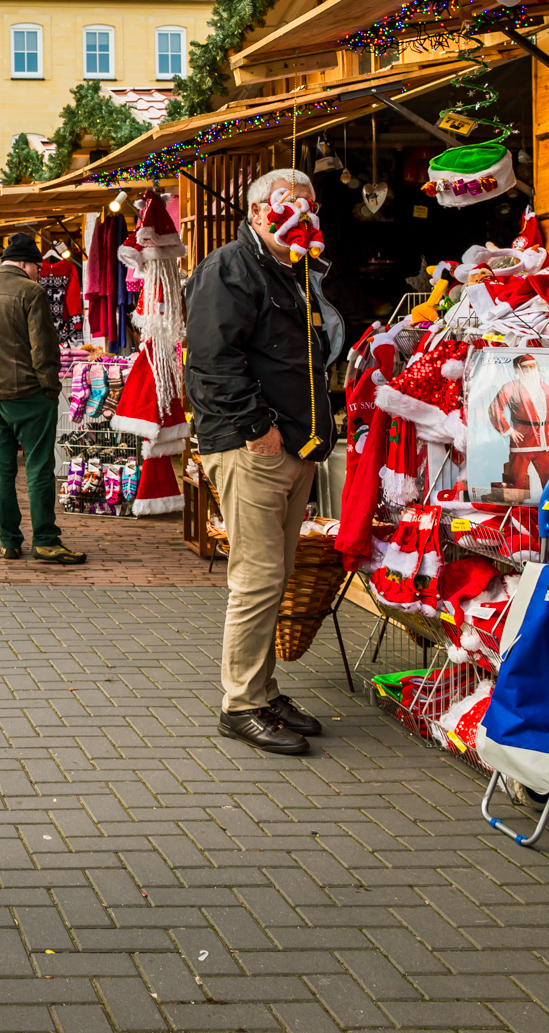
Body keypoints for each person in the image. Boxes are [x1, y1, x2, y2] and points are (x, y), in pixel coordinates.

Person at [183, 168, 343, 757]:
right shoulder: (229, 268)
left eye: (309, 204)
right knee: (255, 579)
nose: (300, 214)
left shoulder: (297, 267)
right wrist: (258, 431)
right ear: (255, 213)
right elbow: (209, 359)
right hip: (254, 446)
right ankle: (241, 704)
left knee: (276, 574)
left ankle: (263, 690)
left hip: (294, 445)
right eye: (286, 204)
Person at [0, 233, 85, 565]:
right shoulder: (31, 292)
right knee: (39, 467)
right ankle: (44, 539)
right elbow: (44, 347)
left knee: (1, 470)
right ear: (24, 263)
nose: (40, 273)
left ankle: (8, 540)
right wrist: (50, 388)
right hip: (28, 392)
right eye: (37, 267)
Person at [489, 353, 549, 496]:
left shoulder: (544, 387)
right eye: (526, 368)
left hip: (543, 442)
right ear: (518, 370)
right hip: (522, 442)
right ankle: (516, 510)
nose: (530, 371)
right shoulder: (511, 387)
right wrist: (509, 431)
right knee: (517, 482)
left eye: (533, 367)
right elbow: (495, 408)